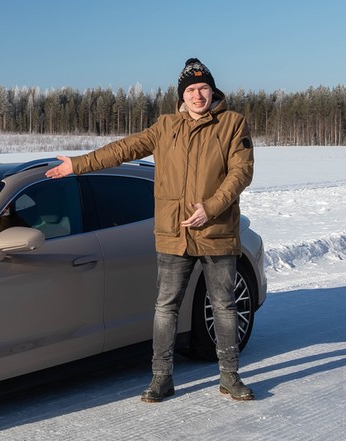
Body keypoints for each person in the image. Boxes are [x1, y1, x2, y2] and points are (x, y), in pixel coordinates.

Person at [46, 58, 255, 402]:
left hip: (216, 229)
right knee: (165, 307)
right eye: (191, 89)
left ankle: (229, 376)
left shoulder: (233, 124)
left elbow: (241, 172)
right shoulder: (165, 126)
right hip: (173, 232)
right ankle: (161, 377)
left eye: (203, 88)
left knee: (224, 305)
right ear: (181, 96)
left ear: (213, 90)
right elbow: (124, 149)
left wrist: (212, 207)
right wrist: (78, 164)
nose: (198, 95)